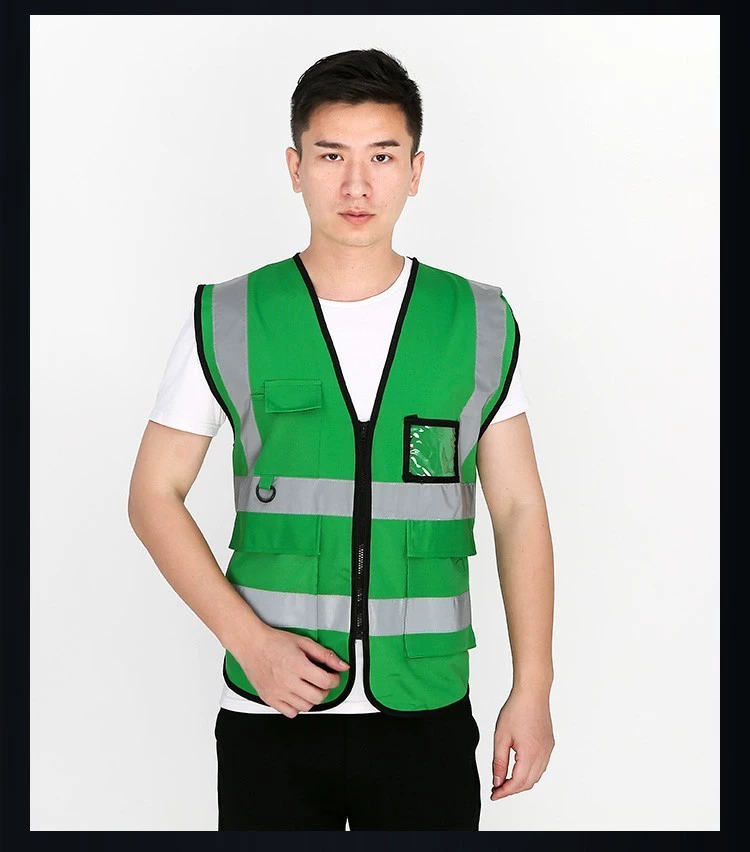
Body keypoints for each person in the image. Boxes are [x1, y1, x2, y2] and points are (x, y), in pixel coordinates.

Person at [128, 47, 555, 831]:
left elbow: (520, 509)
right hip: (272, 712)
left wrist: (533, 687)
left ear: (415, 170)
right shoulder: (229, 315)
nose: (357, 184)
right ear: (295, 167)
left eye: (382, 157)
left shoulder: (477, 321)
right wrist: (249, 643)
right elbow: (153, 495)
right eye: (331, 156)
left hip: (426, 710)